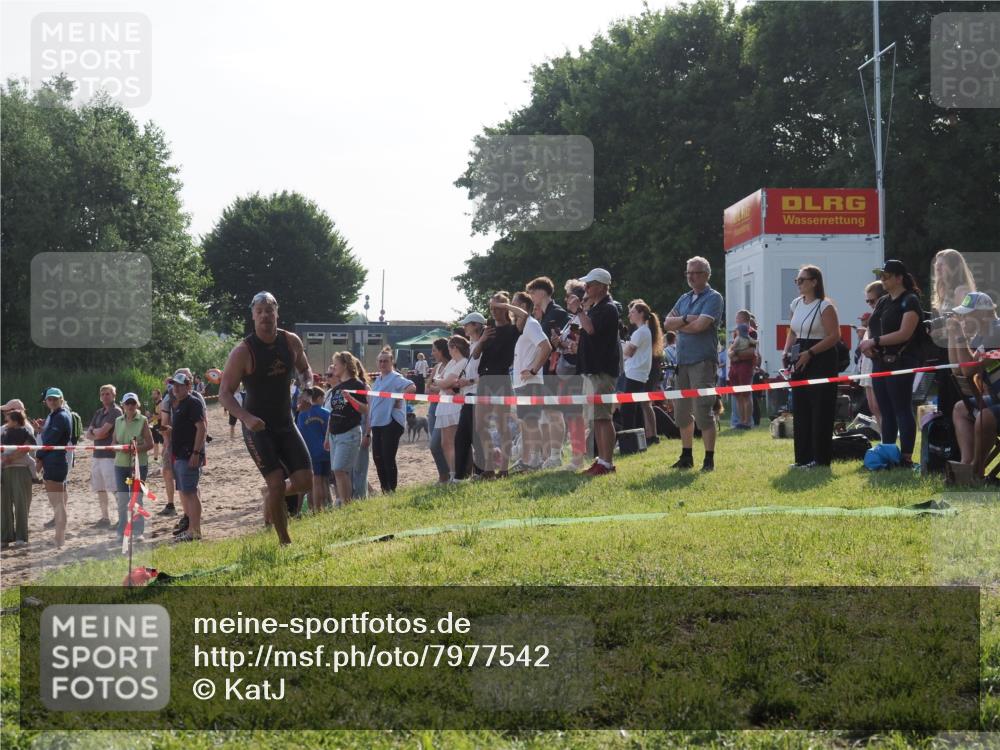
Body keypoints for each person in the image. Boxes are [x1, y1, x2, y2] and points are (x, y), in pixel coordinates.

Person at [219, 291, 314, 545]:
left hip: (286, 422)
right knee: (276, 483)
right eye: (259, 311)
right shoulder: (243, 351)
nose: (264, 315)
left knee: (305, 481)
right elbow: (224, 394)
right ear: (252, 316)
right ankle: (285, 541)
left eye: (269, 310)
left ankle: (272, 493)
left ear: (276, 313)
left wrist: (307, 390)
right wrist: (245, 417)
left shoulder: (290, 341)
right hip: (257, 428)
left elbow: (306, 370)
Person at [859, 260, 924, 468]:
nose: (882, 280)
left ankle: (905, 458)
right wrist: (869, 347)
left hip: (902, 361)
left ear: (899, 278)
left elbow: (905, 333)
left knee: (902, 408)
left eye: (886, 276)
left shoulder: (910, 300)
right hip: (880, 361)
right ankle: (887, 453)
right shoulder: (883, 301)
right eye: (881, 276)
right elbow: (875, 328)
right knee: (885, 410)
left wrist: (875, 342)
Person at [662, 256, 725, 472]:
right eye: (688, 272)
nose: (691, 276)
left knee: (702, 410)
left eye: (695, 272)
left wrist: (681, 323)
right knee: (681, 413)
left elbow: (700, 326)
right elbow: (666, 323)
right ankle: (686, 456)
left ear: (706, 275)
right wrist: (688, 319)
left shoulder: (714, 298)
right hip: (683, 362)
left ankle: (709, 459)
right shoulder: (684, 298)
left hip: (703, 361)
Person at [781, 265, 842, 468]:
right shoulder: (796, 304)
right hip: (800, 354)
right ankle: (802, 458)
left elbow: (835, 336)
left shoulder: (824, 306)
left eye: (802, 280)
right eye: (796, 281)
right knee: (801, 407)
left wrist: (811, 352)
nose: (798, 284)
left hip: (821, 358)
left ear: (814, 282)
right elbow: (792, 330)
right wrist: (786, 351)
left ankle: (820, 459)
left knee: (820, 409)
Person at [946, 292, 1000, 475]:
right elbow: (957, 369)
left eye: (967, 313)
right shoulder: (982, 335)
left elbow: (969, 369)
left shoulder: (997, 331)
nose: (963, 318)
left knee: (985, 416)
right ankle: (966, 464)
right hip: (996, 397)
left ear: (983, 314)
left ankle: (976, 470)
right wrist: (954, 336)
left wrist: (960, 335)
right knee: (961, 409)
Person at [575, 268, 620, 476]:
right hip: (593, 370)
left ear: (601, 286)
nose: (586, 287)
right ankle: (602, 460)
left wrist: (579, 311)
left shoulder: (608, 308)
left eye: (590, 284)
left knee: (603, 417)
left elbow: (591, 330)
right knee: (597, 418)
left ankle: (607, 463)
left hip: (602, 370)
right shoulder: (596, 307)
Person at [504, 292, 553, 472]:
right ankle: (528, 460)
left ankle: (536, 460)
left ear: (523, 307)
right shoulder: (524, 327)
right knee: (526, 423)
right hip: (522, 383)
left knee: (531, 423)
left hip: (530, 383)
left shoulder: (531, 324)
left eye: (513, 304)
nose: (510, 308)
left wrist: (533, 369)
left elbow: (546, 346)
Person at [474, 292, 520, 478]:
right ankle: (489, 466)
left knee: (502, 426)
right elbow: (476, 355)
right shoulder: (489, 329)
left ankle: (504, 468)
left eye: (497, 308)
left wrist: (507, 306)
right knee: (480, 426)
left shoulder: (513, 329)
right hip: (484, 379)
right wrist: (483, 339)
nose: (493, 311)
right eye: (491, 308)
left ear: (505, 308)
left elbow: (525, 315)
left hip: (501, 379)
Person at [527, 277, 570, 469]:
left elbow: (567, 340)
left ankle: (555, 454)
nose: (531, 296)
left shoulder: (558, 313)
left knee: (554, 412)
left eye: (532, 292)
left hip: (555, 371)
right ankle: (549, 453)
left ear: (543, 292)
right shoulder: (543, 317)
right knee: (545, 414)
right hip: (544, 371)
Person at [364, 348, 415, 492]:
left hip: (392, 422)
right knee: (377, 457)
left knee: (387, 456)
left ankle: (391, 489)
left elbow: (412, 387)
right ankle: (384, 488)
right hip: (377, 423)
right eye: (380, 361)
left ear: (392, 362)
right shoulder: (378, 380)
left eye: (386, 361)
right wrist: (368, 431)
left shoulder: (395, 377)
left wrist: (399, 397)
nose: (382, 363)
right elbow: (372, 405)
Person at [551, 281, 589, 470]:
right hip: (566, 373)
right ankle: (576, 455)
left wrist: (563, 344)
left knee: (575, 416)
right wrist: (558, 342)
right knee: (571, 415)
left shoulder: (581, 318)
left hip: (575, 372)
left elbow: (577, 348)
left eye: (568, 295)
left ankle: (578, 458)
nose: (565, 299)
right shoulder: (571, 320)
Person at [167, 371, 206, 542]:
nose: (175, 388)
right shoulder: (180, 403)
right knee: (186, 492)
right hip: (180, 455)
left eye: (179, 385)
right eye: (174, 385)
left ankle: (195, 531)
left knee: (190, 492)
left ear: (188, 386)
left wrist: (196, 453)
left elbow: (202, 428)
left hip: (189, 454)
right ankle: (191, 529)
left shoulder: (193, 402)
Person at [325, 351, 368, 505]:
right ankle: (344, 502)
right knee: (338, 472)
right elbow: (333, 413)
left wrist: (350, 398)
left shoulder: (356, 384)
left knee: (340, 470)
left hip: (349, 432)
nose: (333, 368)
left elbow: (364, 409)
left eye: (336, 364)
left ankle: (346, 503)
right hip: (335, 434)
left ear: (344, 365)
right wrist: (327, 436)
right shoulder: (337, 387)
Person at [113, 392, 154, 544]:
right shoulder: (118, 420)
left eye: (133, 403)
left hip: (138, 465)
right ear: (122, 405)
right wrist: (119, 448)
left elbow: (150, 444)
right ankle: (122, 531)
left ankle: (138, 532)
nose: (130, 406)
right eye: (127, 403)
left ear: (137, 405)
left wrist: (134, 449)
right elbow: (113, 442)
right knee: (122, 499)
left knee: (137, 498)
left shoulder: (142, 420)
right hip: (120, 465)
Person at [35, 387, 72, 548]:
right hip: (55, 460)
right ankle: (60, 536)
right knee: (59, 501)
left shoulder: (61, 416)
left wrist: (39, 458)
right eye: (50, 399)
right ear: (46, 401)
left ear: (61, 400)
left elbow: (50, 441)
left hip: (55, 461)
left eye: (55, 399)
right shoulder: (55, 415)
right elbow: (49, 437)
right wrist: (43, 429)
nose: (52, 401)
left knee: (57, 502)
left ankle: (59, 538)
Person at [622, 300, 662, 443]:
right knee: (636, 407)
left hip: (635, 373)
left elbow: (628, 352)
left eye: (632, 312)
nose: (629, 315)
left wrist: (622, 346)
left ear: (641, 313)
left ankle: (628, 439)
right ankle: (644, 437)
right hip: (637, 373)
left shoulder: (641, 332)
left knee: (628, 408)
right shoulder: (644, 331)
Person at [432, 335, 470, 481]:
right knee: (445, 443)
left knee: (452, 441)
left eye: (449, 347)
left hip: (453, 405)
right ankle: (453, 473)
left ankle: (457, 473)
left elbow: (444, 382)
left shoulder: (463, 362)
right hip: (444, 404)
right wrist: (441, 382)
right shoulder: (452, 363)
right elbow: (439, 380)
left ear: (454, 347)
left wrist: (440, 382)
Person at [85, 385, 123, 530]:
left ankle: (122, 518)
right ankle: (105, 517)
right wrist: (97, 432)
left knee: (114, 487)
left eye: (108, 394)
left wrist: (95, 432)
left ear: (114, 396)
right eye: (103, 394)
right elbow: (89, 434)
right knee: (99, 487)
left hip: (110, 455)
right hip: (97, 454)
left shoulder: (116, 411)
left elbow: (100, 433)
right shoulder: (99, 412)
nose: (105, 396)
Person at [454, 313, 486, 479]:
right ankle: (462, 475)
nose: (464, 327)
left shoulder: (482, 345)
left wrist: (469, 381)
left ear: (475, 325)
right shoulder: (473, 345)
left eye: (467, 324)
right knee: (463, 438)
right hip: (469, 395)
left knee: (473, 436)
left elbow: (485, 374)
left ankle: (479, 472)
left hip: (477, 395)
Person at [1, 407, 35, 548]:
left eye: (8, 419)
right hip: (6, 471)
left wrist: (10, 458)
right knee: (4, 506)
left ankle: (21, 536)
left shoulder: (25, 430)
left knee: (21, 504)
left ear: (15, 420)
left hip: (20, 470)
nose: (5, 421)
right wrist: (6, 459)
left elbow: (28, 447)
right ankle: (5, 536)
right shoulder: (4, 432)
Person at [296, 386, 331, 512]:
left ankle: (316, 509)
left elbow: (300, 433)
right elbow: (329, 432)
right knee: (324, 480)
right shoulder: (326, 413)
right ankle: (325, 506)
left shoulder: (302, 414)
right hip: (325, 451)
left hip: (310, 452)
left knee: (315, 482)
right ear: (320, 398)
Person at [858, 282, 886, 432]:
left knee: (881, 408)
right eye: (867, 301)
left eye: (872, 301)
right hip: (868, 365)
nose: (870, 304)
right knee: (873, 408)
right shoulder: (874, 315)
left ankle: (889, 441)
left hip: (877, 364)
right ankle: (884, 439)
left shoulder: (884, 314)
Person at [426, 338, 452, 483]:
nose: (432, 353)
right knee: (437, 444)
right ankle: (445, 474)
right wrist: (439, 387)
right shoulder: (437, 367)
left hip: (446, 406)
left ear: (442, 351)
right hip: (433, 407)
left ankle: (446, 475)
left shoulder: (452, 365)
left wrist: (438, 387)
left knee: (436, 444)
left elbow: (446, 388)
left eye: (434, 350)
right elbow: (428, 388)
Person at [727, 310, 757, 430]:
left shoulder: (751, 333)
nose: (736, 320)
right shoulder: (736, 332)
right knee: (738, 395)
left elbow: (751, 352)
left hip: (745, 367)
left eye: (737, 317)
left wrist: (736, 354)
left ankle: (747, 422)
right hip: (735, 367)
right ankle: (741, 421)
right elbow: (731, 349)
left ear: (744, 318)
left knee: (746, 394)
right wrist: (732, 354)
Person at [148, 388, 164, 462]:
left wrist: (149, 420)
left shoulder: (161, 403)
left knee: (163, 443)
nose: (153, 395)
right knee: (155, 442)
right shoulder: (156, 403)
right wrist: (150, 415)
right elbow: (155, 415)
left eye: (154, 394)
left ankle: (165, 458)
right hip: (155, 425)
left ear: (159, 394)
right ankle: (155, 458)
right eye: (152, 394)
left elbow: (160, 416)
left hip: (160, 425)